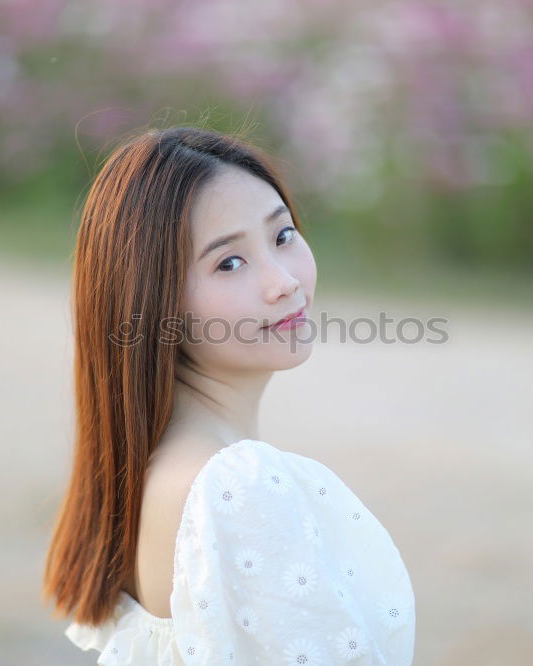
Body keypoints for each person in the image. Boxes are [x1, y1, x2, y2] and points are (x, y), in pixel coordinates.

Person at [43, 125, 415, 664]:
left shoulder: (153, 465)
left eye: (282, 235)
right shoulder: (237, 488)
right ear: (155, 302)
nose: (282, 281)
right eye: (229, 262)